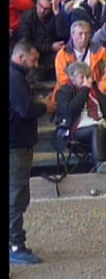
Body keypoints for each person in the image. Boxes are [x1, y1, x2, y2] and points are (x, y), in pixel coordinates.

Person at [10, 41, 56, 265]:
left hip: (17, 142)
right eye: (33, 60)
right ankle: (16, 245)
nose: (36, 65)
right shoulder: (15, 78)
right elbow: (25, 109)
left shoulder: (16, 77)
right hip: (15, 144)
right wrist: (45, 107)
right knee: (16, 196)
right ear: (20, 58)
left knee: (16, 195)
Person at [54, 62, 106, 174]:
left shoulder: (94, 91)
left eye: (88, 77)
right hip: (76, 129)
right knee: (97, 128)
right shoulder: (65, 91)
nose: (86, 80)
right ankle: (99, 163)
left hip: (99, 124)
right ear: (72, 79)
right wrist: (84, 90)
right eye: (82, 77)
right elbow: (70, 110)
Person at [18, 0, 70, 83]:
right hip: (34, 52)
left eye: (46, 9)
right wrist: (50, 46)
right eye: (40, 6)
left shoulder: (54, 16)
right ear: (37, 3)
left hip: (52, 54)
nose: (42, 11)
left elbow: (63, 34)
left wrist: (57, 13)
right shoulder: (27, 17)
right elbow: (27, 43)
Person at [53, 20, 106, 96]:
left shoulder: (100, 52)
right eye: (80, 34)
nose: (84, 37)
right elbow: (63, 79)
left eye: (87, 33)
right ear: (72, 35)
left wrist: (98, 93)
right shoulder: (63, 54)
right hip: (71, 95)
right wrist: (80, 94)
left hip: (96, 92)